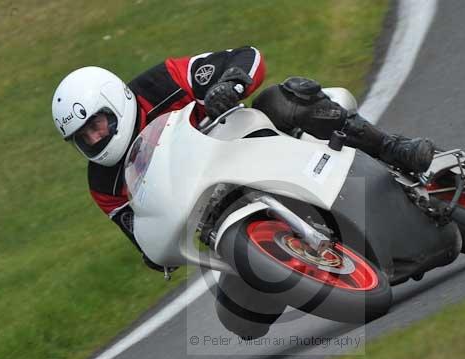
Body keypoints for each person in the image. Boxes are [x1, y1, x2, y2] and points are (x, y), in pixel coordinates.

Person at [51, 46, 435, 269]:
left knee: (282, 98)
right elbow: (141, 237)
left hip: (242, 140)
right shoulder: (102, 183)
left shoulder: (163, 80)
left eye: (97, 124)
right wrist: (159, 249)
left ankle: (391, 148)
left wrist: (227, 85)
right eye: (83, 136)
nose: (94, 138)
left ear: (113, 101)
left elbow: (245, 56)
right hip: (210, 207)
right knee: (242, 322)